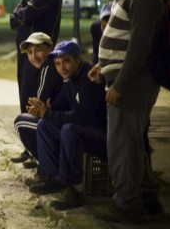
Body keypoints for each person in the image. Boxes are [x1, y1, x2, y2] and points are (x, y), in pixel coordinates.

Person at [88, 0, 164, 223]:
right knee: (133, 141)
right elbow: (123, 38)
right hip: (126, 77)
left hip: (134, 82)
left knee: (122, 143)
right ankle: (146, 197)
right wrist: (102, 65)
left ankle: (126, 204)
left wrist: (119, 83)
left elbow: (140, 46)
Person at [24, 41, 107, 212]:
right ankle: (52, 178)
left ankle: (73, 189)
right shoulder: (69, 79)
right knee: (45, 125)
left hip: (103, 138)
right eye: (57, 64)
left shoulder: (89, 77)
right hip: (84, 132)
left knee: (69, 129)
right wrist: (43, 109)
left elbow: (81, 117)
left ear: (78, 59)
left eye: (67, 61)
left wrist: (48, 113)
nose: (62, 67)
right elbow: (57, 106)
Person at [9, 0, 62, 113]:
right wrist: (22, 15)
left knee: (36, 102)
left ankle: (36, 136)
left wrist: (22, 15)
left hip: (40, 56)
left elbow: (28, 13)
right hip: (25, 54)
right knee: (24, 98)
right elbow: (13, 20)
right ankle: (26, 132)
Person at [11, 32, 62, 164]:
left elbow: (39, 104)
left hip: (62, 122)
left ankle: (46, 167)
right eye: (29, 52)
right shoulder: (50, 64)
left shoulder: (49, 66)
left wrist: (38, 109)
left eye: (38, 50)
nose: (34, 56)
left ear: (50, 49)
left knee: (20, 123)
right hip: (61, 119)